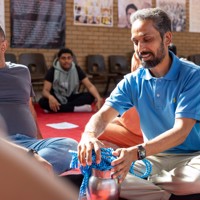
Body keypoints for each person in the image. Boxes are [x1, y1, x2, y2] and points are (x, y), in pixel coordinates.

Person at [78, 8, 200, 200]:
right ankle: (166, 193)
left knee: (192, 180)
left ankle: (150, 188)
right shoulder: (132, 81)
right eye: (136, 42)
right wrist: (89, 135)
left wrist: (136, 152)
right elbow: (102, 116)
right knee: (104, 175)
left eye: (147, 39)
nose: (140, 48)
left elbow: (181, 132)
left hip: (194, 157)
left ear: (167, 38)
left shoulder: (192, 76)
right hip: (154, 157)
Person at [0, 25, 78, 175]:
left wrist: (39, 142)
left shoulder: (22, 71)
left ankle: (18, 174)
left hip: (28, 143)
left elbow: (29, 107)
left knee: (70, 145)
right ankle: (29, 174)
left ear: (4, 45)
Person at [39, 48, 103, 113]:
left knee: (91, 96)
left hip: (72, 96)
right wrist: (50, 97)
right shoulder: (52, 70)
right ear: (58, 59)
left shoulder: (77, 69)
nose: (66, 61)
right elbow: (45, 90)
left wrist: (98, 98)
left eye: (69, 58)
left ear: (72, 59)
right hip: (58, 97)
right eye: (63, 58)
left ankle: (56, 108)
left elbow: (90, 86)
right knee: (42, 102)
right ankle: (76, 109)